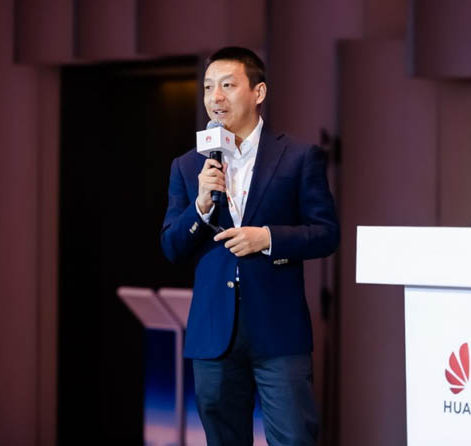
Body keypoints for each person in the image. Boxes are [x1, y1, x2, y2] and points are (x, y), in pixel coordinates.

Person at [160, 46, 339, 446]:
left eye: (227, 85)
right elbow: (171, 246)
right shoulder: (188, 165)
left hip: (278, 330)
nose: (215, 97)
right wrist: (201, 206)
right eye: (208, 87)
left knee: (294, 438)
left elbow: (326, 232)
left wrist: (269, 238)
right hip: (214, 334)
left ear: (258, 92)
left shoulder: (298, 157)